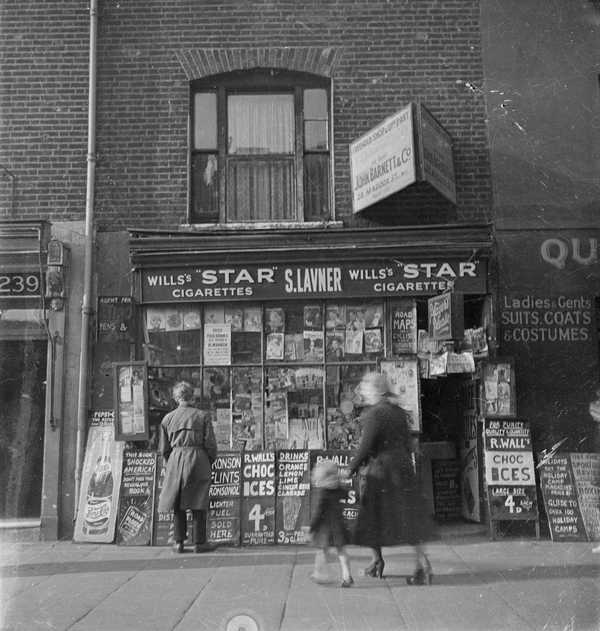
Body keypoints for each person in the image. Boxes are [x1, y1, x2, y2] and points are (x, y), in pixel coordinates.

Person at [349, 372, 433, 584]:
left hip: (382, 473)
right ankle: (422, 564)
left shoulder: (375, 413)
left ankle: (377, 561)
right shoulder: (398, 411)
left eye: (366, 389)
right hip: (403, 471)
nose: (364, 393)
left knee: (371, 518)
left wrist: (350, 469)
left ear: (376, 390)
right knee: (409, 520)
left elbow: (366, 446)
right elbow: (407, 442)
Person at [158, 381, 217, 553]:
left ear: (176, 398)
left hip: (176, 459)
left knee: (177, 501)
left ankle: (179, 542)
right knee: (199, 500)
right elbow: (211, 444)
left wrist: (171, 461)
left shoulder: (167, 419)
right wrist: (208, 460)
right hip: (199, 458)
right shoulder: (202, 415)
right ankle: (199, 543)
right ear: (192, 396)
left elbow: (164, 449)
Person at [308, 459, 354, 588]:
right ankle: (347, 575)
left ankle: (319, 573)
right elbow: (347, 494)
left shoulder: (323, 493)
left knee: (321, 551)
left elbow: (318, 513)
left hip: (325, 528)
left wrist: (312, 528)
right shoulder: (339, 489)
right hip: (339, 525)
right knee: (342, 551)